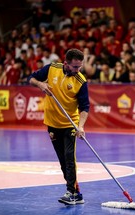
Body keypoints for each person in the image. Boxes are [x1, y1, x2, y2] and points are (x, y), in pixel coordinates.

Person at [28, 48, 90, 205]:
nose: (78, 70)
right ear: (66, 63)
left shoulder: (81, 81)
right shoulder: (52, 69)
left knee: (70, 157)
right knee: (62, 160)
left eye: (80, 66)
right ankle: (76, 192)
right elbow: (31, 79)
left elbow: (85, 107)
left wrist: (80, 127)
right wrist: (41, 84)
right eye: (75, 67)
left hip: (70, 124)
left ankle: (71, 192)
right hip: (52, 123)